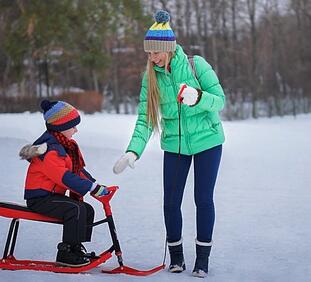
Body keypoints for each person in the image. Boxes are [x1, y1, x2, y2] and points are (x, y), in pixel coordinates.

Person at [113, 10, 225, 278]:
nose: (152, 58)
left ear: (169, 48)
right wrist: (133, 150)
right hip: (174, 146)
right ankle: (176, 258)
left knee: (203, 199)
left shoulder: (197, 65)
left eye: (156, 53)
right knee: (170, 202)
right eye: (149, 54)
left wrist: (198, 97)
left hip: (208, 142)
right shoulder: (150, 78)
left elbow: (220, 100)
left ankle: (202, 260)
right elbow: (145, 119)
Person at [19, 99, 108, 267]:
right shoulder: (49, 150)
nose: (76, 130)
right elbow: (64, 176)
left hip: (52, 197)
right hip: (40, 199)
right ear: (60, 126)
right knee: (75, 208)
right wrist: (90, 188)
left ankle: (75, 248)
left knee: (86, 210)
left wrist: (96, 186)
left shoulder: (64, 146)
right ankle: (65, 252)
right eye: (72, 126)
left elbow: (77, 171)